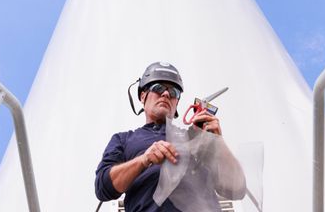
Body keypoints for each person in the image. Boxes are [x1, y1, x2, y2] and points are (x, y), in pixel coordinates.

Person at [94, 62, 226, 211]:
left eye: (174, 92)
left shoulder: (197, 138)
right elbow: (102, 188)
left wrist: (219, 145)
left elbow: (231, 186)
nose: (166, 94)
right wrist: (144, 160)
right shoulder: (123, 140)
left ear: (176, 104)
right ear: (143, 96)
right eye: (158, 88)